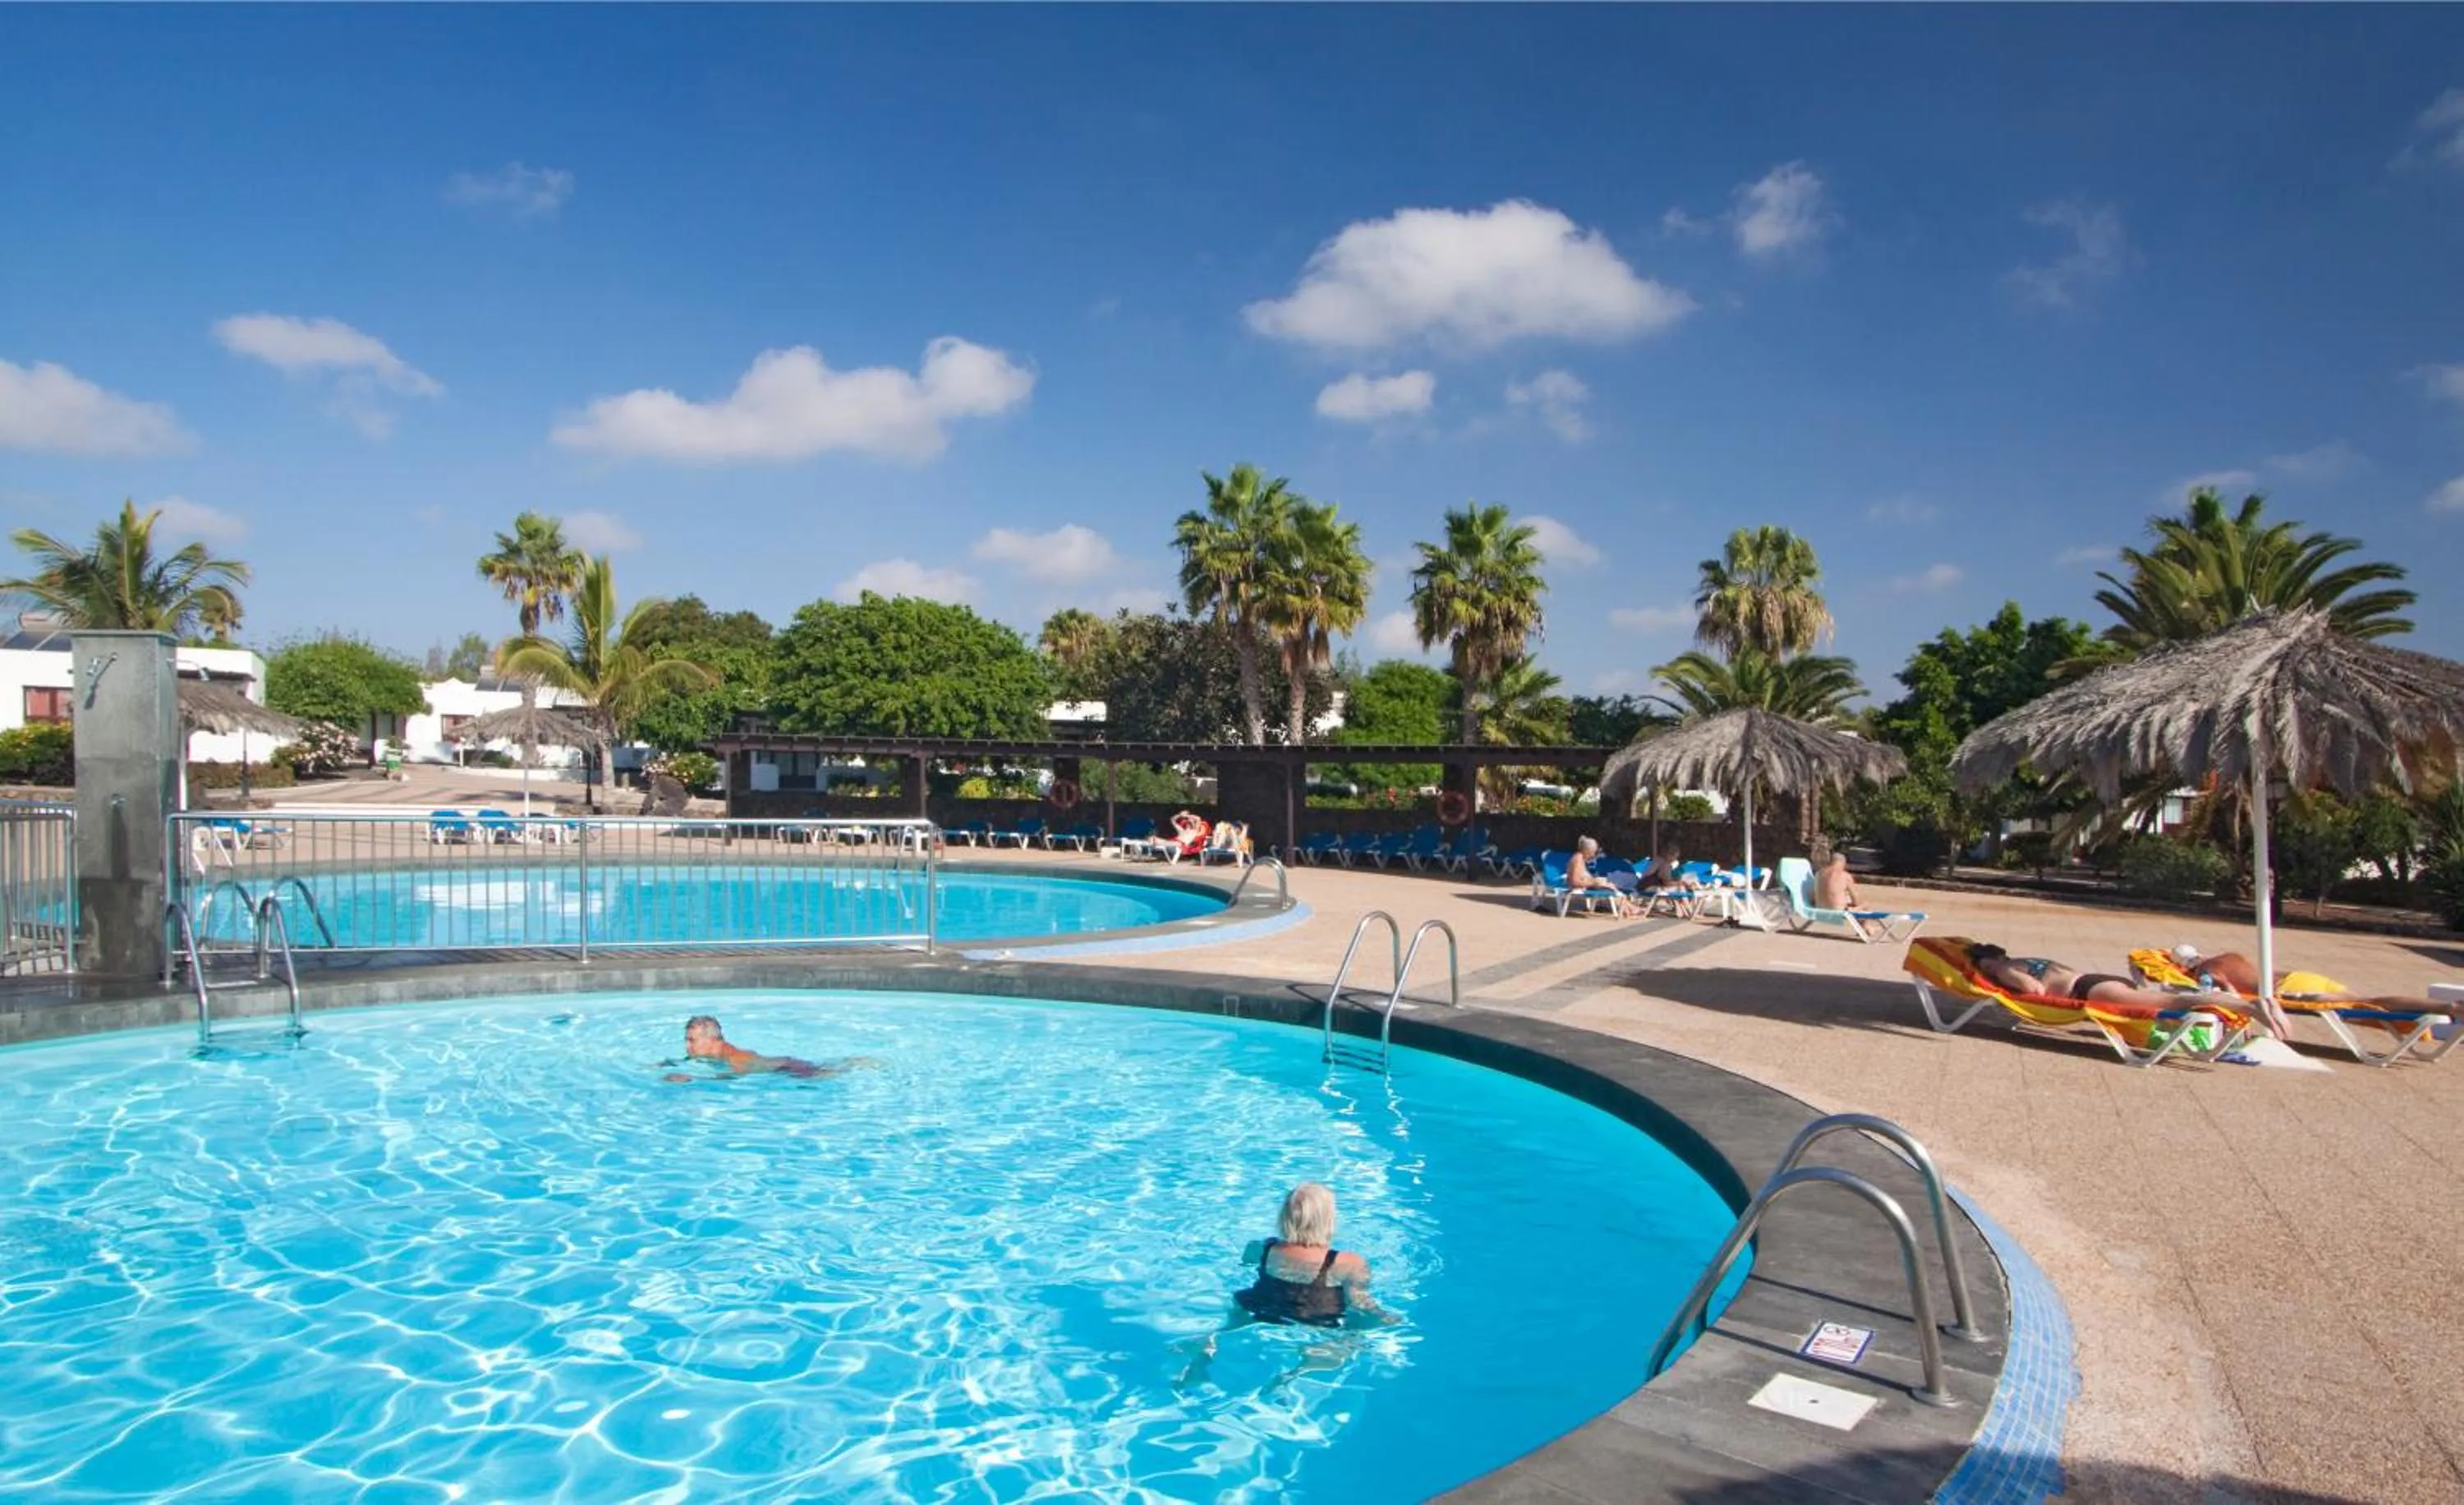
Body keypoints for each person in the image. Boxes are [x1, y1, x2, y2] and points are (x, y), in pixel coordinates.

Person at [1234, 1183, 1380, 1326]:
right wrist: (1385, 1319)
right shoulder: (1347, 1263)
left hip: (1262, 1310)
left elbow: (1246, 1262)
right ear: (1328, 1220)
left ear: (1284, 1217)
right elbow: (1361, 1305)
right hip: (1317, 1321)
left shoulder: (1261, 1248)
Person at [1967, 944, 2239, 1010]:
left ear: (1994, 960)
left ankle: (2239, 1005)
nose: (1986, 971)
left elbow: (2036, 991)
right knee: (2158, 998)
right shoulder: (2025, 959)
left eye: (1985, 965)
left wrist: (2005, 984)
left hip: (2086, 990)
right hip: (2094, 980)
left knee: (2167, 1003)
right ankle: (2223, 997)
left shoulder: (2005, 969)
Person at [660, 1015, 877, 1083]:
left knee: (826, 1075)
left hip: (788, 1068)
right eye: (687, 1040)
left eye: (692, 1041)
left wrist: (694, 1079)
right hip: (782, 1064)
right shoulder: (705, 1054)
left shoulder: (735, 1057)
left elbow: (733, 1077)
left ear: (713, 1041)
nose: (687, 1046)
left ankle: (856, 1064)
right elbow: (683, 1061)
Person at [1565, 836, 1639, 917]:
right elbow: (1574, 882)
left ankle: (1629, 908)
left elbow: (1584, 878)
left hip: (1588, 886)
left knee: (1611, 887)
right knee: (1610, 890)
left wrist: (1597, 881)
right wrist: (1594, 883)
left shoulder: (1581, 859)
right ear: (1587, 850)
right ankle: (1629, 909)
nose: (1593, 855)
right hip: (1583, 887)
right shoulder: (1578, 860)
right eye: (1593, 852)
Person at [1814, 853, 1875, 937]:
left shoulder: (1819, 873)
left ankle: (1865, 928)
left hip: (1819, 907)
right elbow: (1855, 898)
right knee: (1865, 904)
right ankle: (1864, 928)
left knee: (1850, 904)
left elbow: (1814, 893)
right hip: (1838, 910)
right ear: (1843, 863)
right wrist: (1855, 906)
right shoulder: (1845, 876)